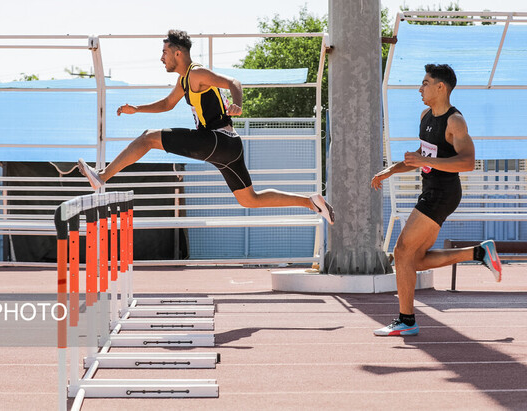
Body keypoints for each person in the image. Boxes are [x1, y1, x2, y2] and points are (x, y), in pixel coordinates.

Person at [78, 29, 334, 224]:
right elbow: (167, 104)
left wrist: (237, 103)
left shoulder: (197, 74)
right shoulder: (184, 81)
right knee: (249, 200)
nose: (161, 59)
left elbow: (233, 81)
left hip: (217, 140)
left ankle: (102, 177)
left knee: (148, 138)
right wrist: (137, 109)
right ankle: (311, 202)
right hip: (227, 147)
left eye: (164, 53)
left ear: (178, 53)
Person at [371, 64, 502, 336]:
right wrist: (392, 170)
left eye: (425, 83)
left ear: (441, 87)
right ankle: (478, 252)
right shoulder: (425, 116)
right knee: (413, 260)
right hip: (431, 190)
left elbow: (467, 162)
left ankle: (407, 320)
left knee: (402, 251)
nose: (420, 88)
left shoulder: (455, 121)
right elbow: (422, 154)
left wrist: (422, 161)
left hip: (443, 193)